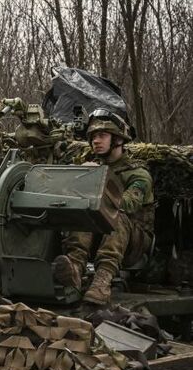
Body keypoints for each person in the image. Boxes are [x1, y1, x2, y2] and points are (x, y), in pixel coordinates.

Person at [52, 109, 154, 305]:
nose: (95, 141)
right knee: (81, 211)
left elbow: (129, 204)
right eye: (92, 137)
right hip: (98, 236)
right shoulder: (91, 166)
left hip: (134, 242)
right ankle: (74, 266)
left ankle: (102, 280)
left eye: (102, 136)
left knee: (118, 216)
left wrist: (98, 179)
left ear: (118, 140)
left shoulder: (138, 173)